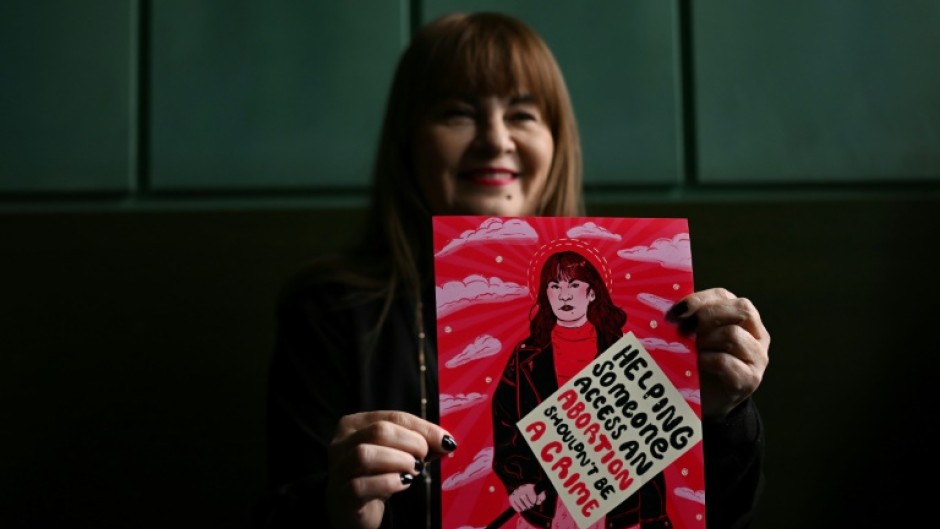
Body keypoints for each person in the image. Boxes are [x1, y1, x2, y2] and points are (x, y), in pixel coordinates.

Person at [256, 11, 770, 529]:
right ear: (408, 141)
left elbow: (718, 515)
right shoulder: (329, 311)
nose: (495, 139)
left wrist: (722, 411)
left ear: (555, 143)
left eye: (523, 115)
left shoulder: (644, 314)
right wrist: (339, 507)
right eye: (458, 113)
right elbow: (281, 507)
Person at [491, 250, 670, 529]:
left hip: (614, 501)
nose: (564, 296)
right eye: (555, 286)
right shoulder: (526, 356)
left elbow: (647, 437)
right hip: (549, 500)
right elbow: (505, 419)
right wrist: (519, 481)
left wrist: (654, 517)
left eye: (574, 285)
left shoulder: (620, 352)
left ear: (592, 293)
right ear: (545, 295)